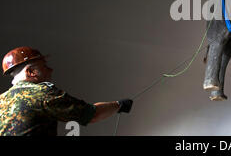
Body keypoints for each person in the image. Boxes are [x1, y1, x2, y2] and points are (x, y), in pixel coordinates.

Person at [0, 46, 133, 136]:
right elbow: (92, 114)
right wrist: (119, 105)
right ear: (31, 72)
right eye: (44, 66)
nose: (50, 70)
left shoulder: (2, 99)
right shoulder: (42, 93)